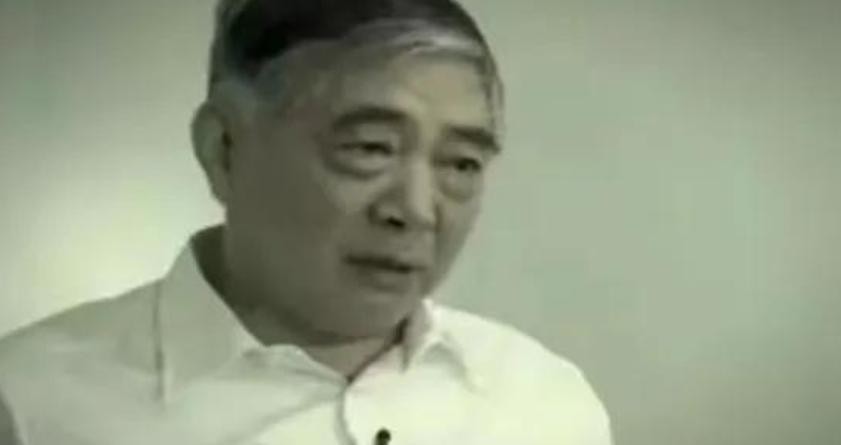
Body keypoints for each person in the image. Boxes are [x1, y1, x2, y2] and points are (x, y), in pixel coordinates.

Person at [0, 0, 612, 444]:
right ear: (224, 148)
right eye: (370, 147)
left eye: (461, 163)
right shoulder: (28, 405)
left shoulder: (545, 403)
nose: (416, 210)